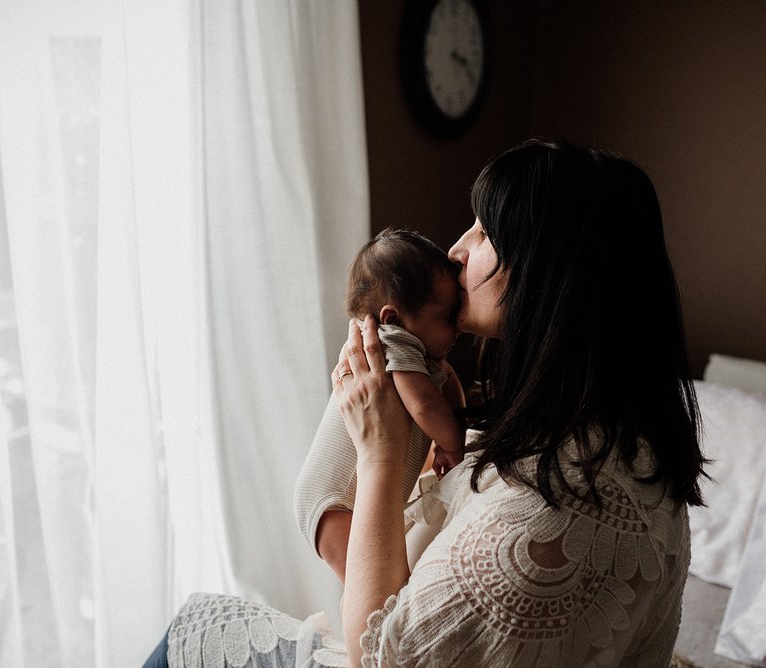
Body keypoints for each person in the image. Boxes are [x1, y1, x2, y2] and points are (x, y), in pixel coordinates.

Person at [145, 139, 707, 668]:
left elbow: (379, 655)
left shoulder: (545, 519)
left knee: (188, 634)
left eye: (485, 234)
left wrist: (379, 452)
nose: (457, 250)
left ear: (549, 269)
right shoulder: (615, 440)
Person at [294, 228, 466, 584]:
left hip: (343, 498)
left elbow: (446, 384)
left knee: (379, 581)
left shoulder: (418, 353)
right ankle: (361, 635)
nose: (457, 329)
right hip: (335, 501)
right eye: (447, 318)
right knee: (375, 593)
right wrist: (451, 443)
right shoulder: (391, 341)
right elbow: (421, 404)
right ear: (393, 318)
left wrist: (457, 423)